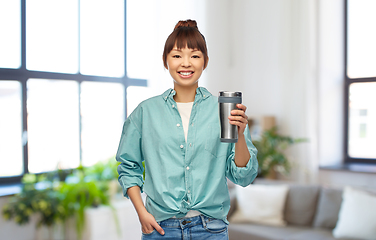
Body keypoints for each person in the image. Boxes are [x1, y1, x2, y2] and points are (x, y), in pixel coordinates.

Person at [116, 19, 258, 240]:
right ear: (165, 61)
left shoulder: (223, 110)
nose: (186, 63)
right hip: (160, 229)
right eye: (176, 55)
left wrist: (240, 136)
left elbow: (243, 177)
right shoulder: (145, 112)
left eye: (194, 55)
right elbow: (128, 166)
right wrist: (141, 213)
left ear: (205, 61)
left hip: (211, 230)